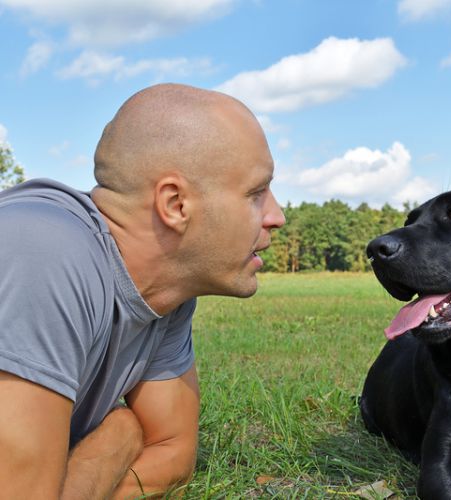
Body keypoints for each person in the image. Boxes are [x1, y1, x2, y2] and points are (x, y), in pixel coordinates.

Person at [0, 84, 286, 498]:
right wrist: (119, 434)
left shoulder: (165, 295)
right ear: (174, 204)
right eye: (256, 193)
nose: (276, 216)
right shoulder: (43, 251)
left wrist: (110, 447)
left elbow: (172, 452)